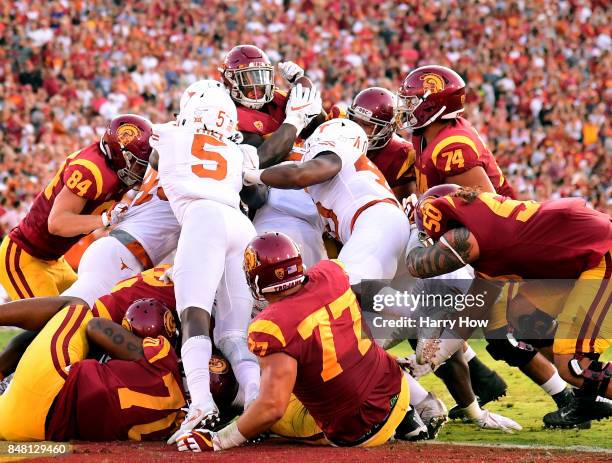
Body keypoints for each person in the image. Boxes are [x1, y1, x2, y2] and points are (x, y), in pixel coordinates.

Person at [397, 65, 571, 421]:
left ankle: (580, 391)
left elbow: (488, 213)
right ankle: (571, 395)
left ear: (435, 105)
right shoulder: (429, 135)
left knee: (516, 330)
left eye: (414, 100)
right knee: (504, 332)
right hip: (478, 246)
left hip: (497, 244)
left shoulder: (452, 146)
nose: (407, 106)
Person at [174, 232, 447, 452]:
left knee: (264, 408)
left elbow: (271, 407)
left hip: (357, 427)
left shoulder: (271, 326)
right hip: (395, 389)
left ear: (256, 280)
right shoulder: (332, 273)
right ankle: (407, 416)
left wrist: (219, 440)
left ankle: (394, 424)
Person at [407, 184, 612, 427]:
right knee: (522, 313)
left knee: (573, 366)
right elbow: (470, 315)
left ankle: (585, 386)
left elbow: (417, 266)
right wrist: (430, 360)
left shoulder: (470, 237)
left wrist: (413, 230)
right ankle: (588, 398)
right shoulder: (489, 229)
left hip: (601, 253)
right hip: (585, 257)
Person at [152, 80, 261, 442]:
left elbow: (142, 149)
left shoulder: (168, 135)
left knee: (194, 316)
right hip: (240, 224)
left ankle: (200, 402)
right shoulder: (239, 151)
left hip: (203, 220)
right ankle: (256, 399)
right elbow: (256, 190)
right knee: (234, 332)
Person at [0, 114, 153, 300]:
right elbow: (57, 223)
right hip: (25, 255)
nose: (140, 172)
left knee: (86, 307)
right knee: (52, 322)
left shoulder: (112, 166)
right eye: (138, 165)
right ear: (121, 153)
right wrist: (104, 219)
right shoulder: (92, 170)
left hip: (54, 260)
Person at [244, 118, 409, 287]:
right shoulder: (348, 172)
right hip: (383, 223)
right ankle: (424, 308)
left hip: (375, 222)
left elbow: (297, 176)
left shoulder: (338, 151)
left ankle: (428, 308)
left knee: (341, 292)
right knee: (366, 300)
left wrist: (251, 175)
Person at [0, 297, 186, 441]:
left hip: (48, 385)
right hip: (33, 429)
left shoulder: (163, 359)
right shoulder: (175, 422)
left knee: (76, 307)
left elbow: (96, 327)